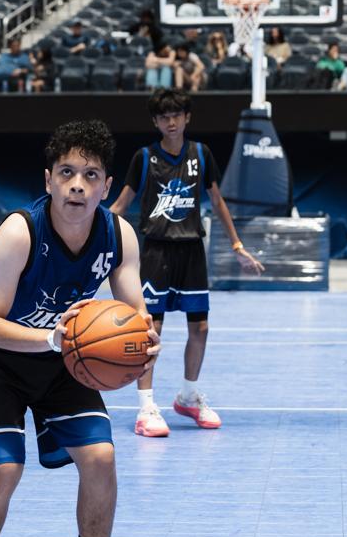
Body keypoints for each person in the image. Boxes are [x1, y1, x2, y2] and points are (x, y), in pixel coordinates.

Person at [0, 120, 160, 537]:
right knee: (4, 469)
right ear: (48, 180)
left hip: (64, 358)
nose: (77, 185)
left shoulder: (119, 235)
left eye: (90, 175)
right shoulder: (19, 232)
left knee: (101, 457)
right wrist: (50, 339)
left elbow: (136, 312)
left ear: (107, 186)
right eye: (66, 173)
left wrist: (144, 341)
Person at [110, 89, 263, 438]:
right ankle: (146, 407)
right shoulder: (144, 158)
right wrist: (88, 236)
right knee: (150, 330)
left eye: (176, 115)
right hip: (156, 253)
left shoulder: (201, 154)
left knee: (201, 328)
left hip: (192, 250)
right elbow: (120, 205)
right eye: (164, 117)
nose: (171, 122)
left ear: (187, 117)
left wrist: (237, 245)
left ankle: (188, 396)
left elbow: (217, 201)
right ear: (155, 121)